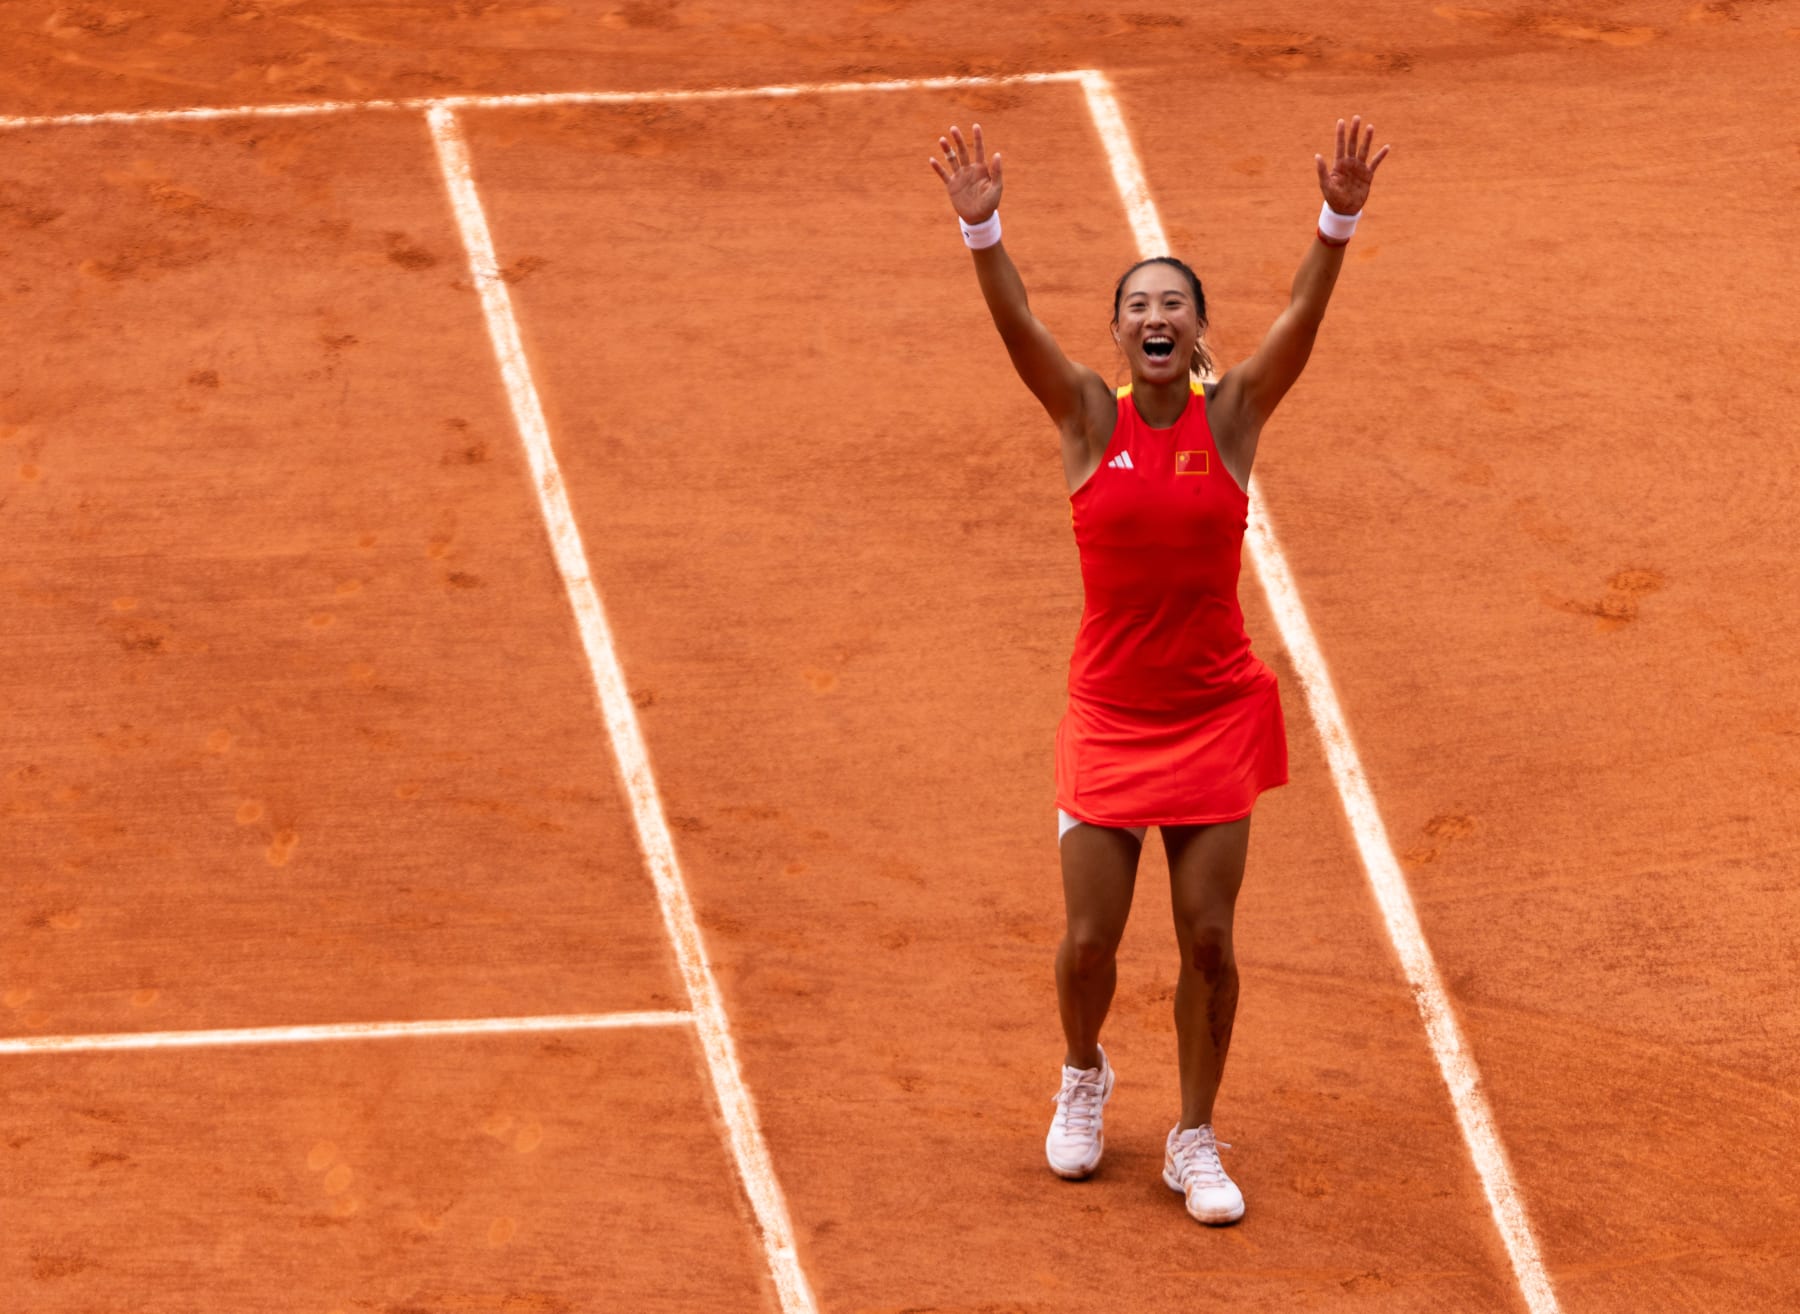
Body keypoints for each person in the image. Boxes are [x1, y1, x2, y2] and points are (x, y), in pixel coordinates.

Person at [930, 115, 1389, 1225]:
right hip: (1109, 714)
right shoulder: (1088, 416)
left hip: (1213, 712)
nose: (1154, 316)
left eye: (1171, 304)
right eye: (1137, 304)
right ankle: (1084, 1071)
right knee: (1090, 939)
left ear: (1195, 332)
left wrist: (1338, 217)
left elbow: (1299, 321)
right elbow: (1019, 329)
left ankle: (1193, 1134)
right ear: (1121, 330)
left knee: (1209, 936)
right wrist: (982, 227)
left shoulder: (1233, 419)